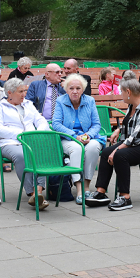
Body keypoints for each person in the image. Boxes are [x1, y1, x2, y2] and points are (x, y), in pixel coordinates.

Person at [87, 79, 140, 211]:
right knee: (106, 152)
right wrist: (118, 130)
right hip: (139, 143)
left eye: (122, 92)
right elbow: (128, 123)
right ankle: (101, 192)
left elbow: (137, 137)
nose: (120, 95)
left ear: (128, 92)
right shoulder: (133, 104)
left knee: (120, 155)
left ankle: (125, 197)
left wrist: (117, 149)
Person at [0, 78, 51, 210]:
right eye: (21, 91)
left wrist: (38, 132)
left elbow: (41, 120)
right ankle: (32, 192)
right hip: (9, 143)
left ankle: (38, 193)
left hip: (31, 140)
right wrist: (19, 134)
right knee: (22, 155)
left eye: (25, 90)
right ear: (10, 93)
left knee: (41, 154)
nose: (24, 94)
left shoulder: (28, 104)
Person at [52, 74, 105, 204]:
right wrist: (75, 136)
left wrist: (88, 136)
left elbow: (96, 124)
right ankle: (79, 189)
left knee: (93, 147)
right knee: (77, 149)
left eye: (78, 88)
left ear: (83, 89)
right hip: (69, 138)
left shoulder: (90, 101)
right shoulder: (60, 101)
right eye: (71, 88)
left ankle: (87, 185)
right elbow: (56, 124)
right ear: (66, 89)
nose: (75, 91)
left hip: (88, 136)